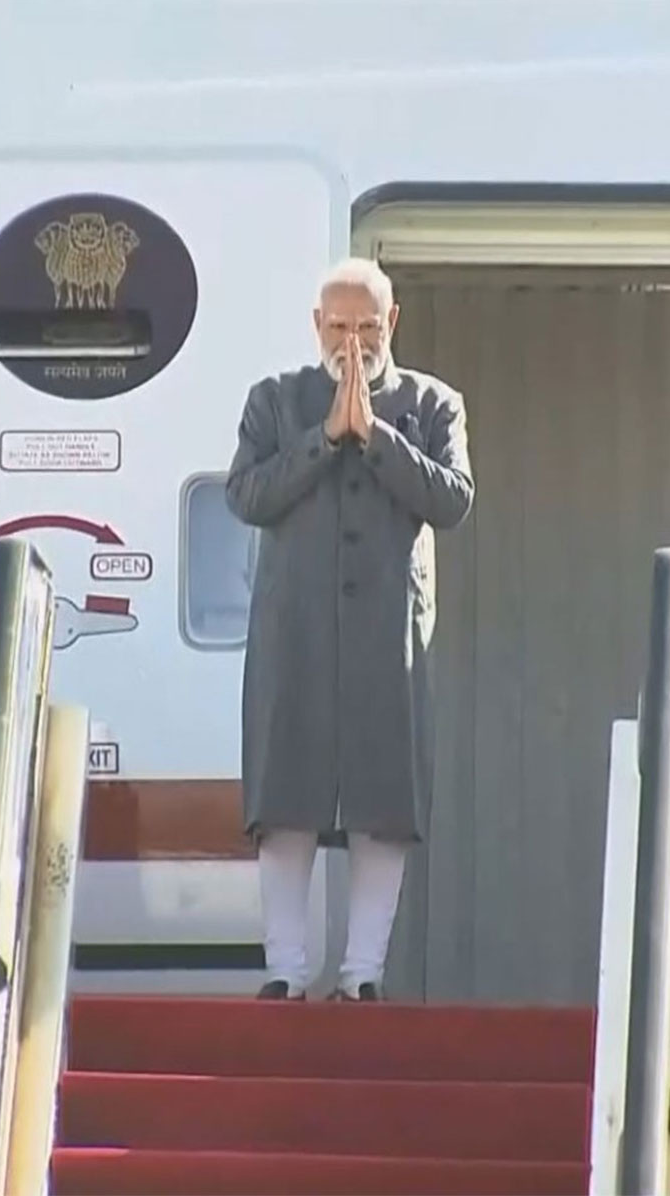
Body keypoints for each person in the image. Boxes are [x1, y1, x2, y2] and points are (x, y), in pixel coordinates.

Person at [225, 257, 475, 1002]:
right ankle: (285, 970)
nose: (353, 341)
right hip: (293, 629)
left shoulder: (434, 404)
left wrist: (374, 437)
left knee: (382, 800)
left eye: (368, 326)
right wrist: (324, 436)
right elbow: (246, 494)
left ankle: (363, 974)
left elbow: (453, 499)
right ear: (316, 326)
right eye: (339, 326)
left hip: (387, 636)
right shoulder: (274, 401)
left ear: (391, 323)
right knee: (286, 795)